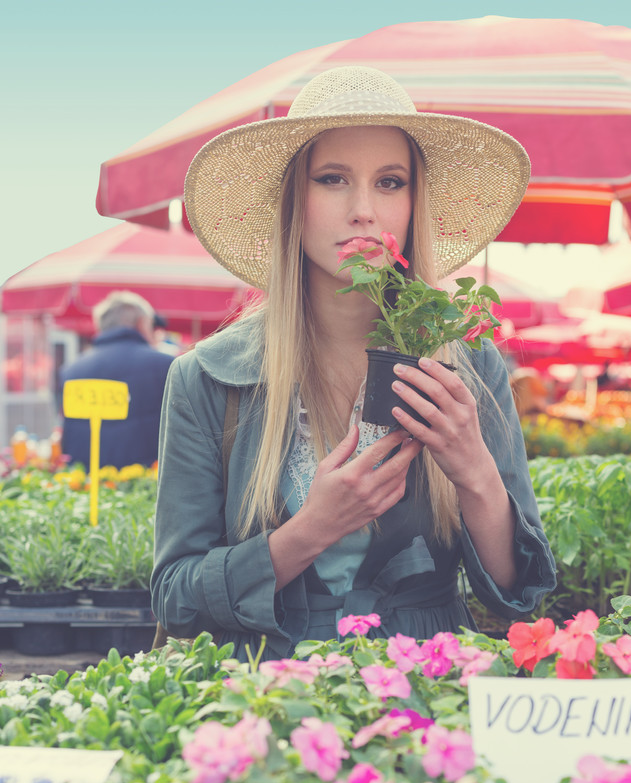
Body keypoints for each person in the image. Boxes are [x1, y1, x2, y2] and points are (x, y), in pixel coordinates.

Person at [151, 66, 556, 659]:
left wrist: (475, 472)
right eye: (333, 178)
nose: (364, 209)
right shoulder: (206, 378)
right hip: (265, 696)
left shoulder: (470, 365)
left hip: (426, 690)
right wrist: (309, 531)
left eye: (390, 182)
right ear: (295, 200)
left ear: (415, 204)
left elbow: (518, 597)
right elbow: (174, 598)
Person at [59, 291, 175, 469]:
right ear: (141, 323)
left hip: (85, 480)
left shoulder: (71, 371)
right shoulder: (167, 366)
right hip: (146, 479)